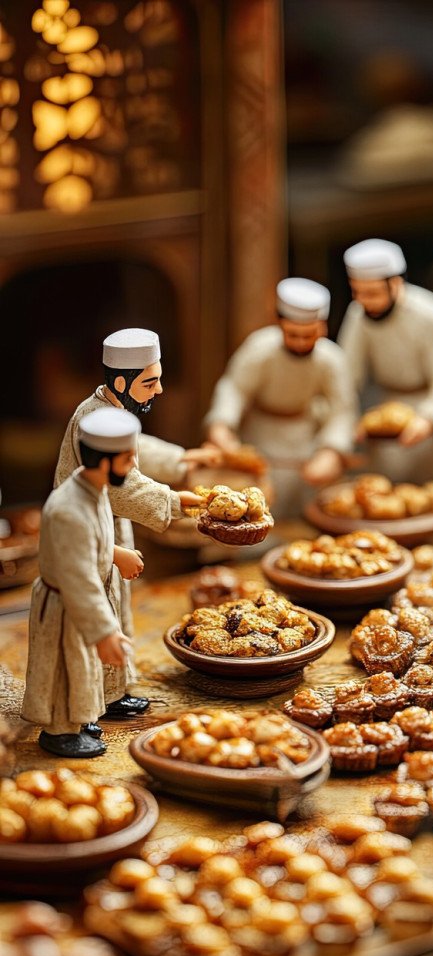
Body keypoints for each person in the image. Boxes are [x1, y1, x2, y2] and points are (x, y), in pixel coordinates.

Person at [55, 328, 207, 719]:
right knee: (92, 625)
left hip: (110, 527)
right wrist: (175, 502)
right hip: (87, 532)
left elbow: (138, 450)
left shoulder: (115, 412)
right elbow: (122, 485)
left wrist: (183, 461)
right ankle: (77, 713)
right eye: (150, 382)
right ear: (121, 382)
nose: (159, 390)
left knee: (116, 614)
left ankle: (111, 692)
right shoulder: (93, 420)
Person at [23, 409, 142, 758]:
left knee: (81, 665)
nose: (132, 464)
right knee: (62, 666)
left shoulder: (93, 489)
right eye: (127, 458)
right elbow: (79, 578)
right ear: (104, 462)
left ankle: (78, 718)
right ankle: (60, 730)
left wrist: (117, 554)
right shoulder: (69, 509)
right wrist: (105, 631)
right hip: (66, 602)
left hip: (81, 599)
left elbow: (97, 545)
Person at [205, 278, 357, 517]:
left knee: (304, 508)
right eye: (292, 334)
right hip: (260, 437)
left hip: (304, 440)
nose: (300, 342)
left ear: (322, 328)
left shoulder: (331, 359)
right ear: (279, 324)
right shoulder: (260, 348)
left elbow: (342, 409)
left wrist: (332, 451)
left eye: (309, 335)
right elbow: (235, 388)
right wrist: (222, 425)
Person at [338, 238, 433, 502]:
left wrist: (430, 418)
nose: (364, 301)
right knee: (384, 495)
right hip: (387, 414)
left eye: (372, 294)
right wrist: (345, 420)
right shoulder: (358, 313)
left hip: (430, 415)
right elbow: (346, 374)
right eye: (357, 292)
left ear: (396, 283)